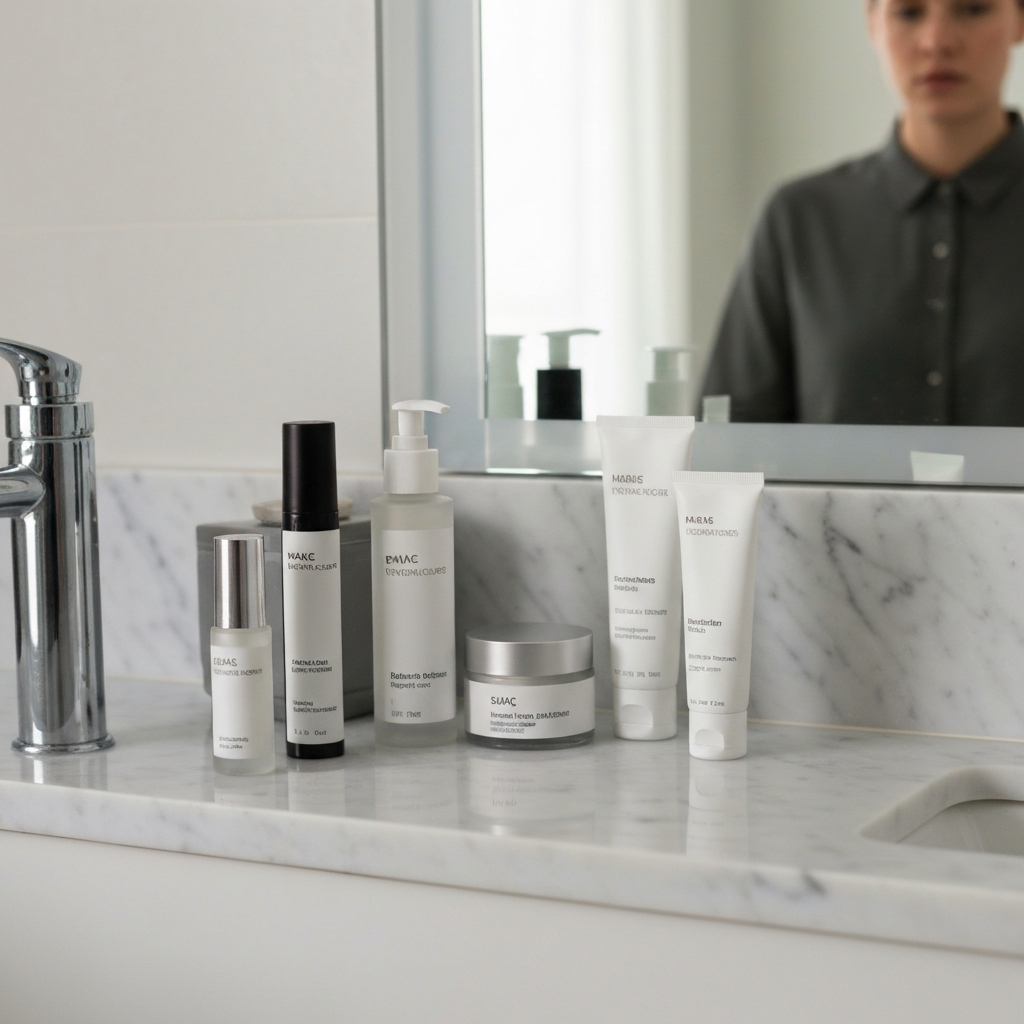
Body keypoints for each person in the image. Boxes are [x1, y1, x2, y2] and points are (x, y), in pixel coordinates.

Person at [701, 0, 1024, 425]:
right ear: (873, 22)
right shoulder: (798, 220)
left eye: (973, 9)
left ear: (1018, 19)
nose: (937, 42)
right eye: (909, 12)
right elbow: (725, 451)